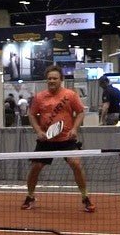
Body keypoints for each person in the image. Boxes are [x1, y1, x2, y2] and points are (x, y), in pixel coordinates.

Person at [22, 64, 94, 213]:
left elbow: (80, 112)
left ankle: (85, 197)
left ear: (61, 79)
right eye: (49, 79)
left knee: (76, 164)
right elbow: (31, 115)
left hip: (66, 140)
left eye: (55, 78)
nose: (52, 81)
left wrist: (74, 129)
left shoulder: (70, 95)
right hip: (45, 141)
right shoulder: (39, 97)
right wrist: (38, 131)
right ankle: (30, 196)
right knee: (35, 167)